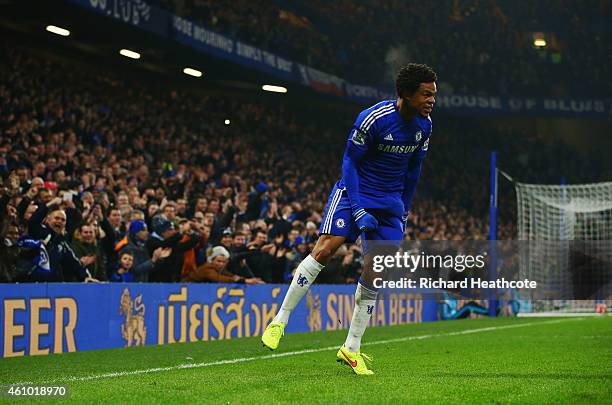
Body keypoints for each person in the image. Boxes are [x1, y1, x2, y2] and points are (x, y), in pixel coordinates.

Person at [261, 64, 437, 375]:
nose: (432, 100)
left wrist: (403, 210)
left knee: (377, 270)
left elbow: (414, 172)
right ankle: (280, 320)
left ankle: (351, 347)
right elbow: (349, 163)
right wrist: (357, 209)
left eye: (434, 94)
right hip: (355, 192)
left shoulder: (425, 126)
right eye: (426, 94)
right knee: (326, 250)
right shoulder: (374, 119)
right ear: (406, 94)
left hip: (390, 203)